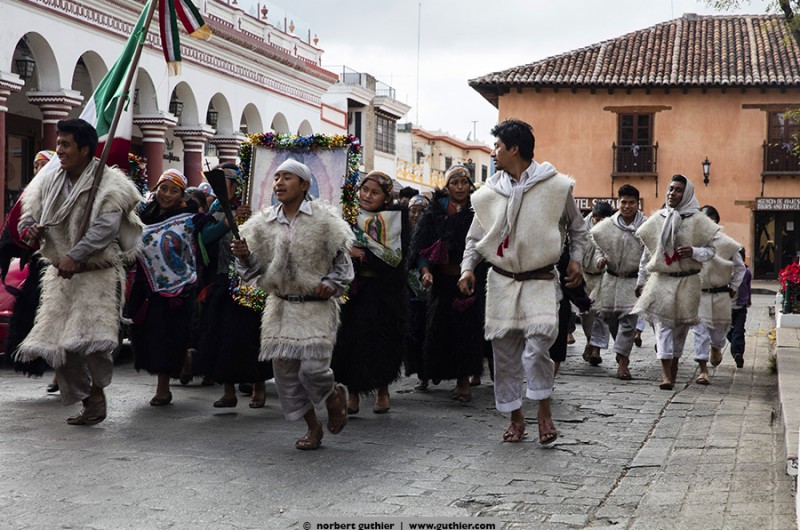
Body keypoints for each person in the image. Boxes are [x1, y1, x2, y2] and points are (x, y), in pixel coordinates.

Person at [458, 119, 587, 445]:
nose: (494, 152)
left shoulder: (556, 186)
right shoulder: (487, 195)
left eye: (498, 146)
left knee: (537, 348)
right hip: (502, 282)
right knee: (503, 356)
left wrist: (576, 260)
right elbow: (475, 239)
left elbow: (578, 228)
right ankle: (516, 418)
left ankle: (544, 411)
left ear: (514, 149)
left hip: (540, 281)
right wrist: (467, 269)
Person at [15, 118, 143, 425]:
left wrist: (76, 255)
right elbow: (28, 217)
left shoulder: (110, 184)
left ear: (85, 149)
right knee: (59, 345)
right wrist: (30, 230)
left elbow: (105, 228)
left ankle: (97, 392)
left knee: (92, 342)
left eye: (65, 144)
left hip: (97, 275)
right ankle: (89, 399)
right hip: (60, 277)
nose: (59, 150)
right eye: (58, 143)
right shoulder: (47, 181)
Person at [232, 158, 352, 450]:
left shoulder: (326, 221)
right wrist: (244, 255)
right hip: (280, 308)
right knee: (286, 378)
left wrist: (331, 283)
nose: (279, 183)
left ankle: (333, 396)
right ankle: (313, 427)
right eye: (276, 177)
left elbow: (343, 266)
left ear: (305, 184)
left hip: (315, 308)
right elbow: (252, 271)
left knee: (313, 370)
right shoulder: (261, 224)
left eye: (287, 177)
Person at [410, 165, 489, 402]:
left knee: (466, 331)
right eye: (455, 183)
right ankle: (437, 371)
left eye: (464, 183)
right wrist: (425, 271)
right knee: (439, 329)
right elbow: (422, 246)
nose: (460, 187)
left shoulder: (478, 211)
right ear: (447, 186)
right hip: (441, 282)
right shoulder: (434, 213)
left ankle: (463, 381)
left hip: (469, 280)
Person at [332, 171, 409, 415]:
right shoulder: (348, 219)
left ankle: (382, 390)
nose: (367, 196)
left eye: (375, 192)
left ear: (386, 197)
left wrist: (363, 254)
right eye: (364, 190)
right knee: (351, 342)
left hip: (385, 292)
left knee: (383, 341)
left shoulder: (396, 221)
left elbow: (398, 258)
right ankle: (353, 393)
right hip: (355, 291)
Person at [197, 163, 272, 408]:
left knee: (252, 336)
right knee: (222, 337)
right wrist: (228, 223)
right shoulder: (216, 211)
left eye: (226, 183)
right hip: (222, 281)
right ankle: (228, 391)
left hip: (251, 282)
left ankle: (259, 387)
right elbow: (205, 238)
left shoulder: (256, 211)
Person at [634, 175, 719, 390]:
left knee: (680, 329)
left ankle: (673, 369)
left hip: (688, 282)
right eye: (671, 188)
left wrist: (694, 251)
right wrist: (641, 280)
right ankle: (665, 374)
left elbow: (711, 251)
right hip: (662, 281)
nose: (672, 193)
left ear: (687, 193)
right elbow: (648, 254)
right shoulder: (657, 219)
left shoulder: (699, 221)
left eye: (678, 190)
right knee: (663, 327)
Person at [127, 169, 199, 406]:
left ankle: (163, 389)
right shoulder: (142, 214)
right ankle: (184, 359)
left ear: (182, 195)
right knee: (145, 335)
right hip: (145, 285)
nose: (166, 194)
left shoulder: (189, 219)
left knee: (165, 336)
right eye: (163, 188)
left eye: (173, 190)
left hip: (175, 289)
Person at [591, 185, 648, 380]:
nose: (627, 206)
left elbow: (650, 253)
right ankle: (621, 350)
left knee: (629, 322)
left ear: (637, 204)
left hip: (633, 281)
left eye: (631, 202)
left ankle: (623, 363)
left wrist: (643, 280)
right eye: (624, 202)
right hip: (610, 279)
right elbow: (597, 246)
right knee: (609, 318)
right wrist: (599, 259)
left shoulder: (646, 226)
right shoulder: (608, 225)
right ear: (618, 202)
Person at [690, 205, 745, 384]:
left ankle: (716, 346)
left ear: (715, 221)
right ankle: (703, 369)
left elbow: (740, 267)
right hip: (700, 294)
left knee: (719, 331)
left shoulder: (728, 243)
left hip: (721, 294)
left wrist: (734, 286)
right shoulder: (692, 243)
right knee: (700, 331)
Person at [580, 201, 615, 367]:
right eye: (597, 220)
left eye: (603, 221)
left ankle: (596, 349)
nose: (600, 223)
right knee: (586, 314)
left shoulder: (612, 229)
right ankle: (590, 341)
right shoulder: (580, 228)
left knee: (601, 313)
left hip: (604, 277)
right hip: (584, 275)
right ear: (593, 216)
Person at [404, 194, 431, 390]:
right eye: (413, 211)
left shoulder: (432, 231)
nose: (416, 215)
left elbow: (424, 256)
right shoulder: (401, 233)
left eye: (421, 211)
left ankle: (428, 372)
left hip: (428, 289)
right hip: (407, 291)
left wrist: (425, 271)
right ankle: (421, 372)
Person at [728, 248, 751, 368]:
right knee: (728, 332)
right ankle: (736, 347)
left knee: (739, 331)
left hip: (740, 307)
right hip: (726, 309)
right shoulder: (725, 272)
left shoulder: (746, 272)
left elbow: (748, 287)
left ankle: (738, 353)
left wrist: (748, 300)